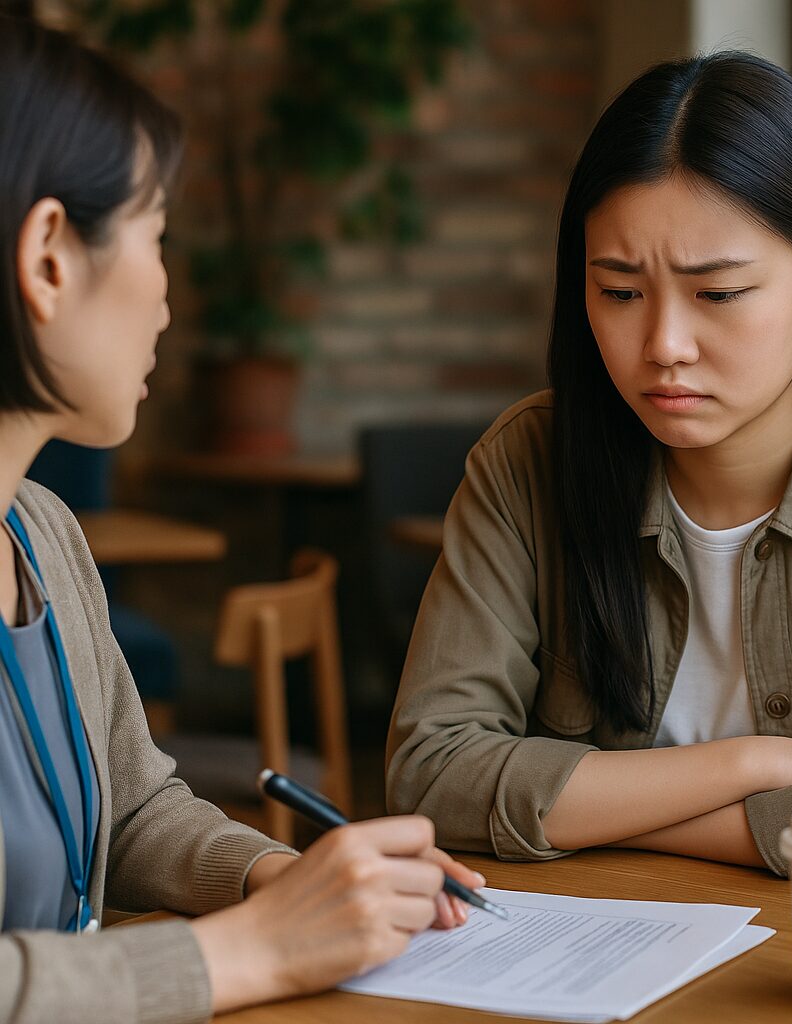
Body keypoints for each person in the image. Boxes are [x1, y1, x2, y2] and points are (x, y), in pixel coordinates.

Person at [386, 51, 792, 895]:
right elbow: (430, 775)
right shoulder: (527, 461)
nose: (664, 346)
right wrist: (753, 764)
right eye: (620, 292)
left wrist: (602, 811)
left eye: (717, 295)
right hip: (612, 946)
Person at [0, 18, 483, 1024]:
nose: (168, 300)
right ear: (48, 258)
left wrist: (287, 881)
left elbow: (135, 811)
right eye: (157, 237)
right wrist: (250, 952)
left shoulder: (40, 533)